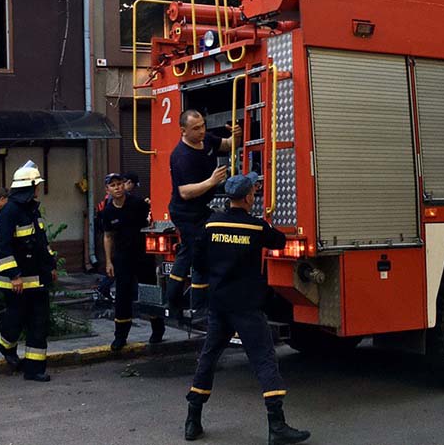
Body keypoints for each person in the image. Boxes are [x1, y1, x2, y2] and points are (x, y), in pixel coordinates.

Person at [183, 172, 310, 445]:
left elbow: (199, 261)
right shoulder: (255, 227)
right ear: (249, 197)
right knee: (264, 359)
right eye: (254, 191)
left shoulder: (211, 224)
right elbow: (279, 241)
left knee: (208, 357)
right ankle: (277, 426)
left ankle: (192, 420)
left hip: (219, 304)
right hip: (247, 306)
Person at [166, 109, 240, 317]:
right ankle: (192, 305)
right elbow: (185, 192)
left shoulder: (205, 139)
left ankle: (179, 303)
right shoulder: (181, 156)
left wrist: (237, 135)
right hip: (185, 211)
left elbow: (226, 145)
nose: (201, 131)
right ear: (183, 131)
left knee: (191, 251)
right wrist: (212, 181)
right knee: (197, 251)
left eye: (203, 126)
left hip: (201, 209)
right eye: (196, 128)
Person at [0, 161, 57, 382]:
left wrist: (51, 267)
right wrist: (15, 276)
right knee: (15, 320)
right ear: (29, 187)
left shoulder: (32, 211)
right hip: (17, 283)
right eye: (36, 185)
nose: (39, 189)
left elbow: (41, 243)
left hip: (38, 280)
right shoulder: (9, 212)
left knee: (39, 324)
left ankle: (34, 370)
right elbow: (2, 247)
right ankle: (5, 345)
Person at [100, 172, 165, 350]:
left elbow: (152, 219)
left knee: (149, 291)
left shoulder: (137, 204)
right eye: (113, 185)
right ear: (107, 190)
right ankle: (120, 336)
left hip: (143, 255)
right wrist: (108, 262)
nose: (117, 187)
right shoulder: (107, 211)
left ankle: (158, 330)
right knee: (122, 296)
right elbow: (107, 237)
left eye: (119, 184)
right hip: (122, 258)